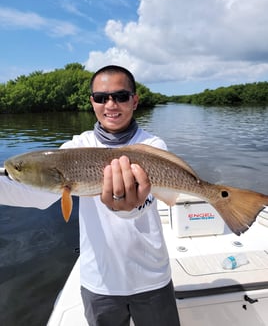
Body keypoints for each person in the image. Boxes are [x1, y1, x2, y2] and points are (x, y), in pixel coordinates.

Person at [0, 65, 180, 326]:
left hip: (152, 278)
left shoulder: (152, 147)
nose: (111, 104)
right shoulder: (75, 147)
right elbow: (37, 195)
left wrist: (129, 207)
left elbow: (142, 202)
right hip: (100, 282)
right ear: (91, 102)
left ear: (135, 100)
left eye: (120, 96)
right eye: (101, 97)